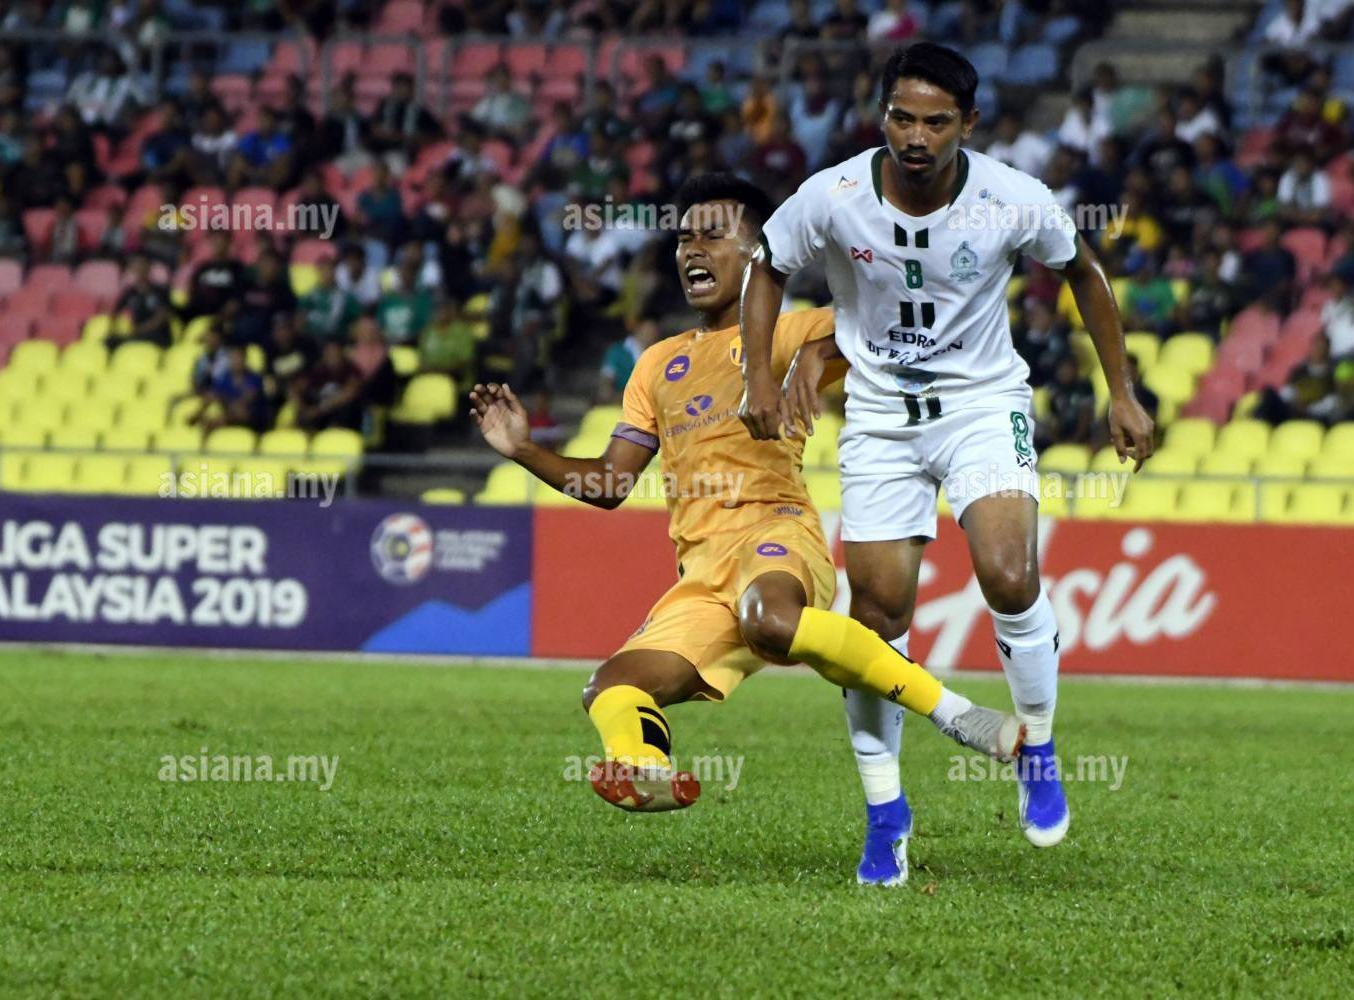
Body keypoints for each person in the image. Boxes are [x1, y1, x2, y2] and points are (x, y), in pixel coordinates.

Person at [471, 173, 1023, 871]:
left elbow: (909, 329)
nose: (691, 250)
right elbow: (610, 483)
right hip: (703, 573)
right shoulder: (656, 363)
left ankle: (955, 713)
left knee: (769, 618)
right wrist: (525, 451)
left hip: (779, 535)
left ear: (760, 254)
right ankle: (647, 770)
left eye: (711, 234)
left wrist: (820, 356)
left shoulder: (794, 331)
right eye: (683, 238)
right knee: (610, 687)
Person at [741, 44, 1156, 861]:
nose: (916, 137)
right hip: (879, 419)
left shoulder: (1011, 198)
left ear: (969, 122)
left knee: (1009, 574)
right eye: (902, 118)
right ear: (882, 116)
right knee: (877, 617)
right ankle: (885, 816)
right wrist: (760, 375)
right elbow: (766, 266)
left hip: (981, 406)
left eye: (936, 122)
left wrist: (1123, 390)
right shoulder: (834, 196)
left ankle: (1037, 746)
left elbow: (1084, 271)